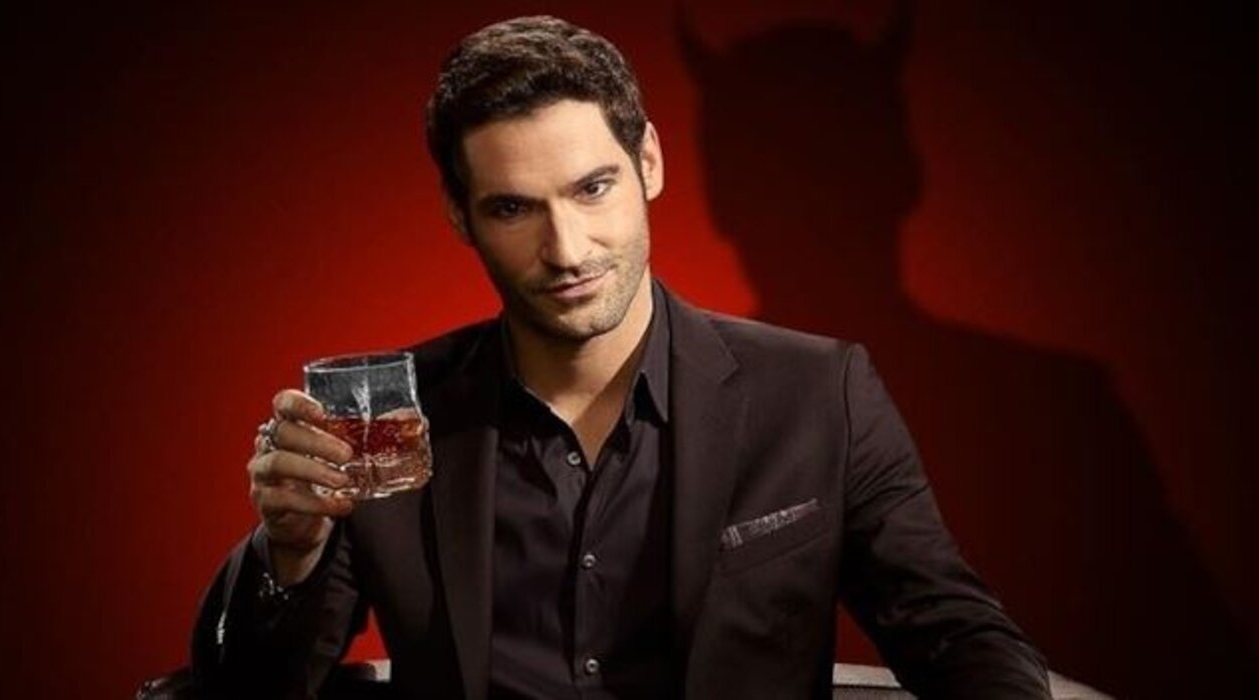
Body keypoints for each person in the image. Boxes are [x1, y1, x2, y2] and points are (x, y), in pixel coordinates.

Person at [191, 15, 1050, 699]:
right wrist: (289, 551)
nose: (566, 250)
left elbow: (956, 638)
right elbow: (246, 690)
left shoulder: (818, 394)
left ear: (649, 163)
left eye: (592, 188)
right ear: (460, 216)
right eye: (513, 208)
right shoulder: (392, 419)